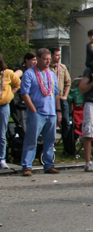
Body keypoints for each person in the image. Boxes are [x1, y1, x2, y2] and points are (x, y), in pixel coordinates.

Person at [19, 48, 61, 176]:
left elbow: (56, 94)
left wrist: (58, 110)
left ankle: (49, 164)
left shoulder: (51, 74)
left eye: (49, 59)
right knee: (31, 139)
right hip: (37, 112)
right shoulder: (29, 74)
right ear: (37, 59)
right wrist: (33, 109)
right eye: (45, 59)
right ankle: (27, 166)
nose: (48, 61)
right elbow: (24, 93)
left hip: (51, 112)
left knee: (50, 140)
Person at [0, 54, 21, 169]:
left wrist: (10, 93)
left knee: (2, 133)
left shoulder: (8, 73)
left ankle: (1, 158)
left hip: (3, 105)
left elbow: (17, 84)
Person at [49, 47, 71, 137]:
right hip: (50, 99)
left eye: (60, 55)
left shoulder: (62, 67)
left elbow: (68, 82)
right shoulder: (47, 68)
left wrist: (65, 95)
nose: (59, 57)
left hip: (61, 97)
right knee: (52, 121)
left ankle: (67, 142)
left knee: (66, 121)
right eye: (57, 55)